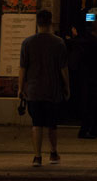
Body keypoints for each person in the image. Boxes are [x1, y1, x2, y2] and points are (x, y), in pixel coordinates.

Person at [19, 9, 70, 166]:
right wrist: (67, 86)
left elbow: (23, 68)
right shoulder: (59, 43)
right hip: (52, 90)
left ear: (37, 22)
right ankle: (53, 153)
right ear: (50, 22)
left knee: (36, 123)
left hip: (33, 90)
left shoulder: (27, 43)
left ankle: (37, 156)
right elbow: (63, 68)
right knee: (52, 124)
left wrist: (21, 87)